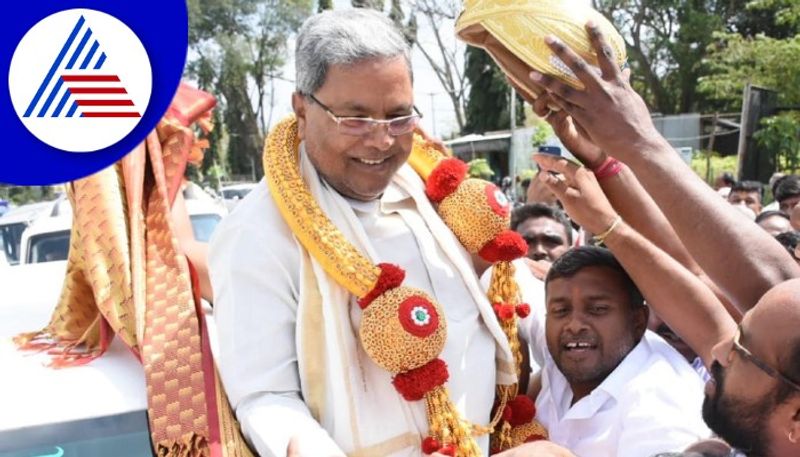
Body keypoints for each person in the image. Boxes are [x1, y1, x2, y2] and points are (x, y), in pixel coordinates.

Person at [209, 9, 522, 456]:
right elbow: (264, 396)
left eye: (398, 117)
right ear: (302, 108)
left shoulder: (428, 188)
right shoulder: (257, 234)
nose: (381, 141)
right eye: (355, 119)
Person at [523, 23, 800, 456]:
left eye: (743, 350)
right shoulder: (764, 385)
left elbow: (770, 280)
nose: (720, 344)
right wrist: (610, 160)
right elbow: (695, 274)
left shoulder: (661, 413)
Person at [522, 246, 710, 456]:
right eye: (560, 311)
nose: (574, 325)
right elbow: (515, 283)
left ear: (638, 321)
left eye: (598, 310)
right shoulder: (560, 346)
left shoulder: (659, 399)